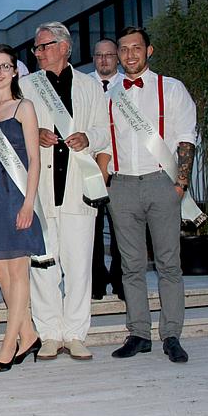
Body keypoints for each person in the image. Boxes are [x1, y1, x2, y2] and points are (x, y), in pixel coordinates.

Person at [20, 22, 110, 361]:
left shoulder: (89, 85)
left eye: (44, 46)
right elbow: (14, 128)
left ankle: (75, 333)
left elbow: (104, 131)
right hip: (41, 190)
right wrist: (36, 132)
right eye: (37, 48)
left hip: (78, 189)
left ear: (64, 47)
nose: (39, 52)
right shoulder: (27, 85)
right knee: (43, 264)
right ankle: (49, 334)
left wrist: (89, 138)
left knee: (78, 265)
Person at [109, 27, 198, 363]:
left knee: (168, 265)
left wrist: (180, 185)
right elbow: (104, 141)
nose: (130, 54)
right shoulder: (111, 93)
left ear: (149, 51)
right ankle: (139, 333)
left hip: (163, 182)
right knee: (130, 267)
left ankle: (172, 334)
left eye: (136, 48)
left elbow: (186, 138)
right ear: (118, 54)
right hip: (122, 185)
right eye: (124, 49)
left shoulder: (172, 89)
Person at [0, 45, 46, 371]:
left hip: (17, 196)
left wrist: (29, 202)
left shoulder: (25, 108)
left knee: (18, 271)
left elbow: (35, 159)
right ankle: (29, 333)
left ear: (15, 71)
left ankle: (9, 343)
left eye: (6, 66)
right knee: (1, 272)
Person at [89, 38, 124, 300]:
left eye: (109, 55)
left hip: (120, 170)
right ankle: (97, 282)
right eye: (99, 55)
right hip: (89, 168)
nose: (104, 60)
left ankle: (122, 282)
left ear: (118, 57)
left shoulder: (128, 86)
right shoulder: (84, 85)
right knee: (92, 231)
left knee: (121, 230)